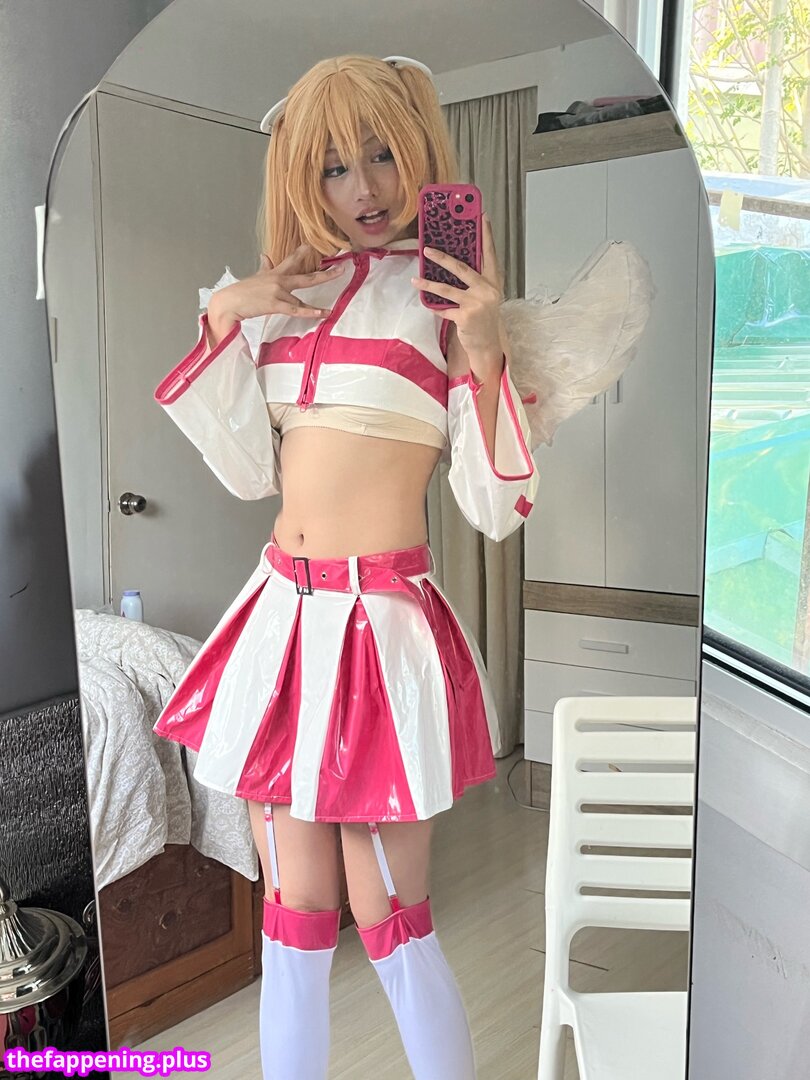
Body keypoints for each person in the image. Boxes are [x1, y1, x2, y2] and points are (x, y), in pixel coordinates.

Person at [151, 54, 539, 1080]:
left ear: (419, 157)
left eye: (381, 157)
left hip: (381, 632)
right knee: (294, 919)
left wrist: (485, 345)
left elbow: (494, 506)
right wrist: (233, 309)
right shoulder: (286, 302)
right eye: (332, 167)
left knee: (393, 919)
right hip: (284, 625)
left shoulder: (445, 299)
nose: (363, 189)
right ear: (301, 180)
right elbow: (249, 472)